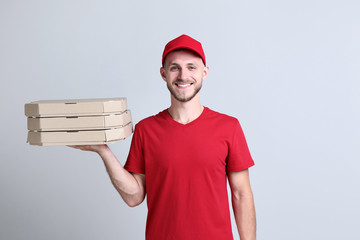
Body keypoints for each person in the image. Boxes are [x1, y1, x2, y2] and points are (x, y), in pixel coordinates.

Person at [70, 34, 256, 240]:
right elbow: (134, 196)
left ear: (205, 72)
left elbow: (241, 195)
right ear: (163, 74)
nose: (183, 75)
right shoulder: (145, 130)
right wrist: (103, 151)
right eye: (174, 67)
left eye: (191, 67)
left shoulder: (228, 127)